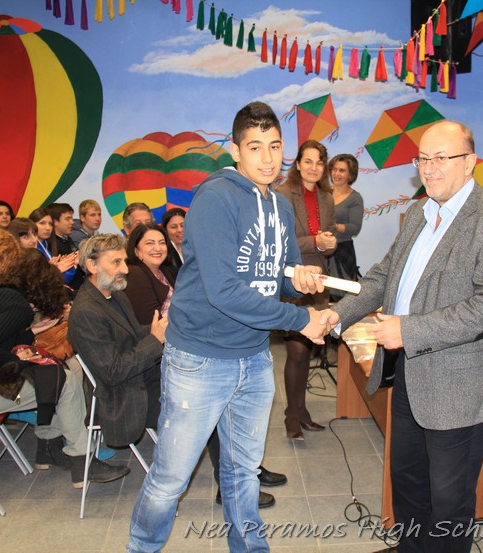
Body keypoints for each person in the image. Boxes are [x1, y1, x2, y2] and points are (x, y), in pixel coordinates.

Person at [126, 101, 327, 553]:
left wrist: (298, 278)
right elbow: (225, 291)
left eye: (275, 146)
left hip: (253, 358)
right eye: (255, 147)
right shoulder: (216, 197)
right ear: (236, 151)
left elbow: (277, 273)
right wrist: (303, 320)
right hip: (199, 359)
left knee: (243, 472)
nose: (268, 158)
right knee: (171, 478)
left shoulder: (280, 205)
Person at [320, 121, 483, 553]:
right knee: (408, 481)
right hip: (409, 376)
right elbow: (382, 277)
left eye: (441, 158)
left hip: (459, 386)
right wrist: (336, 315)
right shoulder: (419, 212)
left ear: (469, 163)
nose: (428, 168)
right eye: (422, 159)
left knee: (449, 501)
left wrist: (407, 329)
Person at [0, 249, 130, 488]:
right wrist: (17, 361)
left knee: (59, 373)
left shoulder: (0, 295)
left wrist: (33, 332)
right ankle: (83, 461)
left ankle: (48, 447)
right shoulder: (18, 307)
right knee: (65, 381)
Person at [123, 223, 285, 508]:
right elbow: (153, 324)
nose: (158, 248)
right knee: (217, 405)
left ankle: (246, 472)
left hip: (184, 347)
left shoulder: (166, 271)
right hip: (158, 363)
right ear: (135, 250)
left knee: (231, 400)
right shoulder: (137, 276)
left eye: (160, 242)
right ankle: (230, 483)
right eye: (149, 243)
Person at [68, 234, 166, 450]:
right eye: (116, 262)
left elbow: (132, 335)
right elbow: (113, 372)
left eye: (124, 261)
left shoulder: (114, 294)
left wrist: (162, 328)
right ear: (92, 266)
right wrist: (155, 339)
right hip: (125, 395)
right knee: (194, 404)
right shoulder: (86, 312)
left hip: (141, 377)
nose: (125, 269)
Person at [275, 140, 337, 440]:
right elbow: (281, 244)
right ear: (298, 164)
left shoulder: (327, 197)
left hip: (319, 280)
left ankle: (301, 412)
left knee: (308, 349)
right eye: (308, 161)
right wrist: (315, 241)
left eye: (319, 162)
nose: (314, 167)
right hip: (293, 279)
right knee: (297, 350)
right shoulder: (283, 194)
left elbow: (328, 244)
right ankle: (292, 416)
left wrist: (328, 244)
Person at [328, 153, 364, 293]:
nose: (336, 173)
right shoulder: (323, 192)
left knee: (341, 295)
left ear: (350, 175)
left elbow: (355, 228)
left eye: (342, 170)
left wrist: (333, 226)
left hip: (342, 252)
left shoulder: (355, 198)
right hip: (320, 250)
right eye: (334, 169)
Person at [46, 203, 83, 291]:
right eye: (67, 219)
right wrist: (74, 262)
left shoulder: (66, 239)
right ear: (55, 222)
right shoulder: (51, 245)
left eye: (72, 218)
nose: (72, 222)